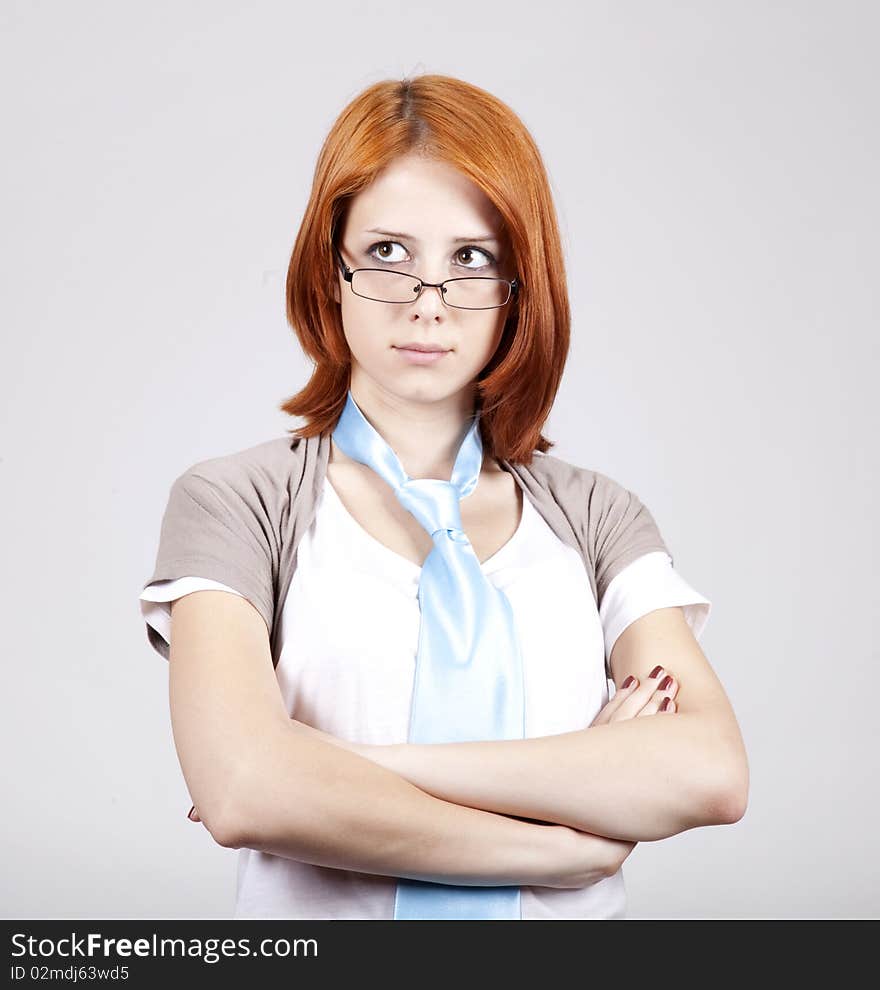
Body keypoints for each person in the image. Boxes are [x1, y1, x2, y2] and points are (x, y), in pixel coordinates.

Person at [139, 74, 748, 920]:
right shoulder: (235, 503)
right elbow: (245, 792)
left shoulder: (598, 517)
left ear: (519, 287)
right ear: (332, 271)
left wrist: (334, 763)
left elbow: (710, 772)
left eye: (471, 259)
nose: (429, 305)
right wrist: (565, 840)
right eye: (389, 254)